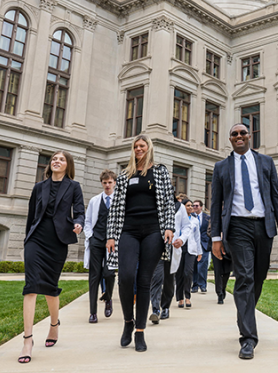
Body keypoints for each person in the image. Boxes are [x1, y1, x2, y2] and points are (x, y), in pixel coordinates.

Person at [211, 123, 278, 360]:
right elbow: (215, 204)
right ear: (230, 139)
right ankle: (248, 339)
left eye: (242, 133)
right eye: (234, 134)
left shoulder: (266, 162)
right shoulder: (221, 167)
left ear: (250, 135)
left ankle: (244, 313)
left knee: (258, 277)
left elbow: (275, 194)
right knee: (244, 277)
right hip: (236, 227)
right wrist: (216, 237)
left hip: (263, 226)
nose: (239, 136)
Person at [106, 135, 175, 352]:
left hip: (153, 230)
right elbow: (116, 207)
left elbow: (168, 202)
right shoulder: (125, 175)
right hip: (128, 230)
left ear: (149, 148)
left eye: (142, 146)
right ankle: (128, 322)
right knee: (125, 277)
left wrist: (169, 227)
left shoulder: (161, 171)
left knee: (144, 280)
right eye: (136, 146)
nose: (139, 149)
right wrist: (110, 235)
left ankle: (140, 331)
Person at [19, 151, 85, 364]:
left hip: (57, 241)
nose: (57, 161)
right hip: (36, 239)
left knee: (49, 286)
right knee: (31, 286)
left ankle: (54, 325)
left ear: (68, 165)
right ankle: (27, 340)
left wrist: (79, 223)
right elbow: (31, 215)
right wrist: (26, 240)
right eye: (54, 159)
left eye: (61, 159)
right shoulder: (39, 187)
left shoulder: (74, 187)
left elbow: (80, 211)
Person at [83, 169, 117, 323]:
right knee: (94, 276)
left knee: (109, 274)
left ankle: (108, 298)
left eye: (110, 182)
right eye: (105, 183)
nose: (107, 185)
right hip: (96, 240)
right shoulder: (94, 200)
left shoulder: (120, 200)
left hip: (112, 243)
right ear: (101, 183)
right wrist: (90, 237)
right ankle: (92, 312)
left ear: (114, 183)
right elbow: (88, 221)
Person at [149, 195, 183, 324]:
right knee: (156, 279)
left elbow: (186, 227)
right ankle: (155, 310)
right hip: (157, 247)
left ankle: (166, 307)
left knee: (169, 281)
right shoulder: (154, 206)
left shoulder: (180, 208)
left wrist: (181, 239)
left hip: (172, 248)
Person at [173, 199, 201, 308]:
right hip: (179, 247)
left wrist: (199, 252)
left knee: (188, 272)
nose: (190, 207)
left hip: (191, 249)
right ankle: (180, 298)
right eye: (188, 205)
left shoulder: (195, 220)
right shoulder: (177, 218)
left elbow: (197, 237)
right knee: (179, 274)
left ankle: (187, 297)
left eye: (191, 205)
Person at [208, 217, 232, 305]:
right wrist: (218, 236)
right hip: (216, 248)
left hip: (228, 248)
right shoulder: (214, 218)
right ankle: (219, 293)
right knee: (218, 271)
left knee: (227, 271)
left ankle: (223, 287)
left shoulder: (232, 217)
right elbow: (209, 232)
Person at [191, 200, 210, 293]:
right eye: (193, 205)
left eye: (196, 205)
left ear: (201, 207)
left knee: (203, 265)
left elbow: (210, 230)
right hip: (193, 244)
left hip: (204, 244)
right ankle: (194, 285)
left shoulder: (207, 217)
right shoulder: (190, 217)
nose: (194, 207)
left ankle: (202, 285)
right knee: (194, 265)